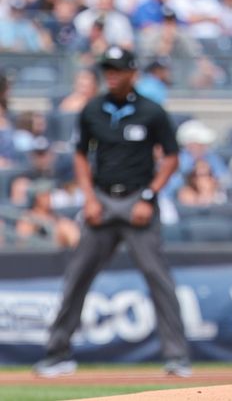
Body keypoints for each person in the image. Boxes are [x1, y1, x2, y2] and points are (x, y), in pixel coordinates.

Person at [33, 47, 191, 378]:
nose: (112, 74)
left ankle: (177, 357)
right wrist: (88, 198)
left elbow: (172, 157)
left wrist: (149, 196)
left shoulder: (152, 111)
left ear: (133, 73)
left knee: (158, 277)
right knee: (77, 276)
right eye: (108, 69)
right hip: (102, 203)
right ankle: (57, 353)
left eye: (118, 69)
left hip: (138, 203)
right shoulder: (92, 110)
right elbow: (79, 155)